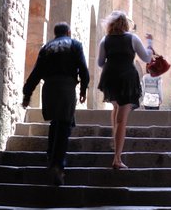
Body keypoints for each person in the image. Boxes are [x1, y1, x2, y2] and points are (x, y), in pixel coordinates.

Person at [22, 22, 90, 186]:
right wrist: (83, 90)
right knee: (64, 124)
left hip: (50, 88)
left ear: (55, 33)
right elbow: (83, 69)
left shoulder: (46, 48)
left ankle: (50, 155)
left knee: (55, 121)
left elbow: (36, 72)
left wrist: (27, 93)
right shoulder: (75, 44)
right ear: (68, 32)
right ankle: (57, 165)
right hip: (66, 87)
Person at [97, 10, 153, 169]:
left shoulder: (105, 40)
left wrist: (113, 61)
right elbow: (146, 58)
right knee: (122, 118)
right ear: (125, 24)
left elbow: (101, 63)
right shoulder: (132, 38)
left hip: (110, 77)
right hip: (127, 78)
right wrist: (150, 45)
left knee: (115, 108)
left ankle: (114, 140)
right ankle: (117, 158)